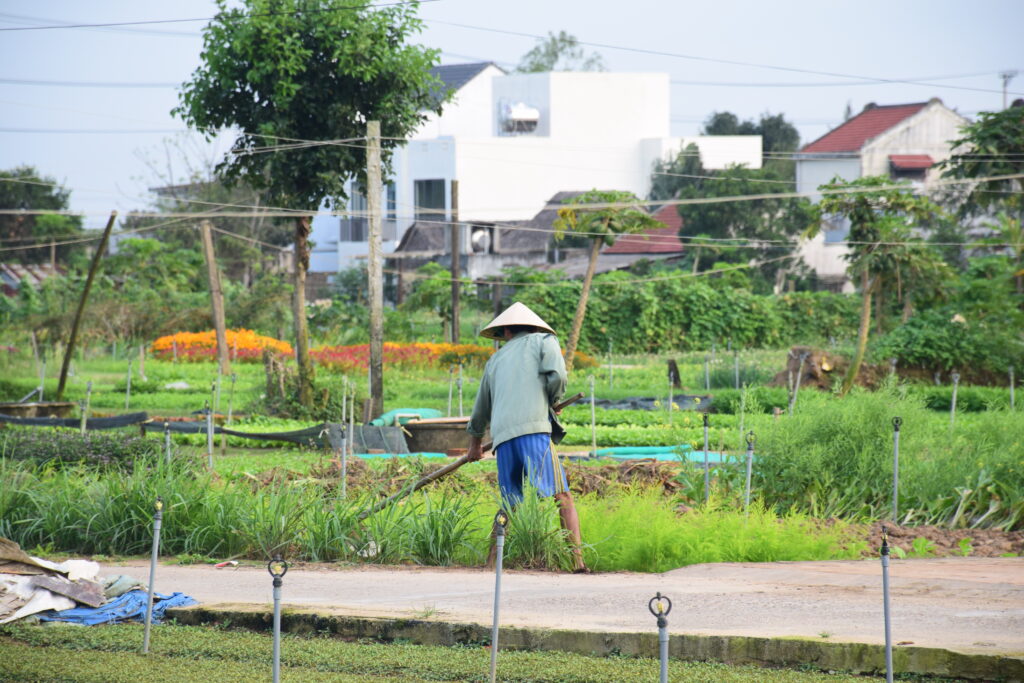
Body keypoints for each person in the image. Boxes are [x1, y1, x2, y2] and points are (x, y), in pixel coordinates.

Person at [465, 302, 587, 572]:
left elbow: (480, 408)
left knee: (509, 503)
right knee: (562, 496)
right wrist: (553, 400)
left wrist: (474, 445)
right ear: (533, 327)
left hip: (503, 438)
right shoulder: (545, 340)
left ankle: (490, 563)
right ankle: (577, 561)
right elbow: (557, 375)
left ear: (507, 330)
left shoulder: (495, 360)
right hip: (533, 430)